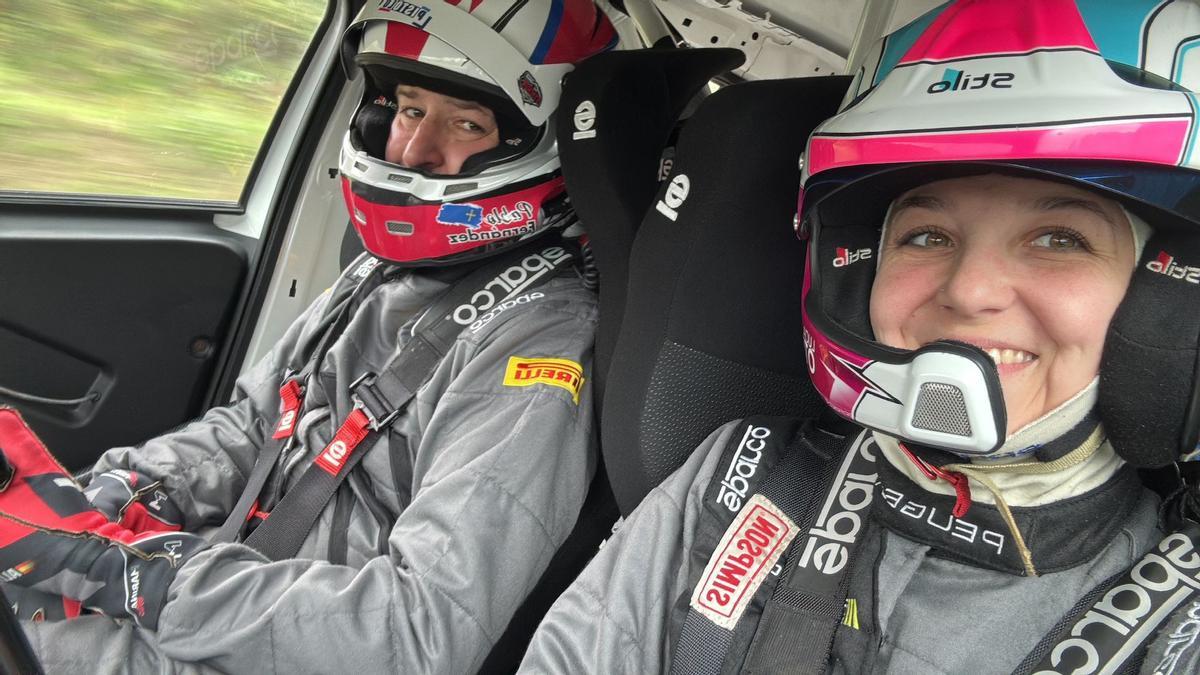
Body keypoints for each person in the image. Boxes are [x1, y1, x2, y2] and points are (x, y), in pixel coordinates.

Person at [519, 1, 1200, 673]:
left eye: (1059, 240)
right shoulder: (737, 473)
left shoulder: (1178, 625)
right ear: (854, 271)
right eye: (926, 236)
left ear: (1169, 297)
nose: (969, 290)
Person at [0, 0, 627, 672]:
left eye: (466, 122)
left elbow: (420, 630)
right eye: (409, 108)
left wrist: (137, 575)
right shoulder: (382, 271)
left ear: (539, 143)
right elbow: (253, 425)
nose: (411, 150)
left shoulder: (537, 343)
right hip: (236, 597)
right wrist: (127, 492)